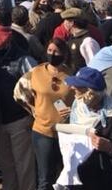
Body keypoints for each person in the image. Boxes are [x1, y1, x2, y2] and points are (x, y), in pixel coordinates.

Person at [66, 66, 112, 189]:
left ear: (90, 93)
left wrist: (111, 149)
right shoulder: (77, 107)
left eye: (78, 86)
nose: (72, 88)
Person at [0, 14, 37, 190]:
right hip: (0, 120)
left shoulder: (24, 60)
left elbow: (36, 86)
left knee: (24, 164)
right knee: (6, 164)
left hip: (20, 120)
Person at [14, 37, 73, 190]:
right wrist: (34, 110)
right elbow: (19, 92)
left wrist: (73, 112)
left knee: (66, 176)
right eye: (49, 50)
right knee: (44, 178)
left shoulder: (72, 74)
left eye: (56, 51)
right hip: (42, 131)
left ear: (64, 53)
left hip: (66, 133)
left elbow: (79, 100)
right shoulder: (36, 72)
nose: (52, 54)